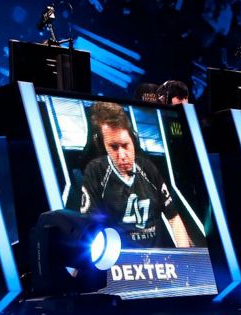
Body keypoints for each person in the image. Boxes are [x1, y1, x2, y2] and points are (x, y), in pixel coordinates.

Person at [79, 101, 192, 248]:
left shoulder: (148, 169)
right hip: (119, 259)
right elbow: (88, 227)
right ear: (103, 146)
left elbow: (174, 218)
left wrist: (185, 256)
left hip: (159, 259)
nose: (122, 155)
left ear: (134, 140)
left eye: (125, 145)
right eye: (114, 147)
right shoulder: (95, 172)